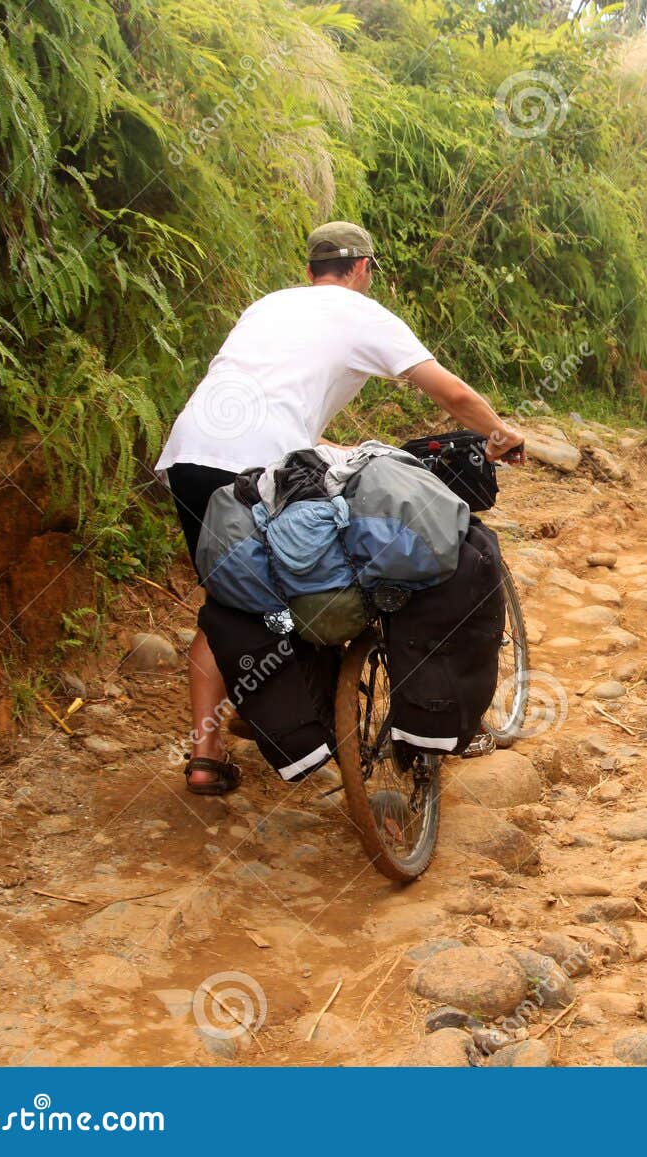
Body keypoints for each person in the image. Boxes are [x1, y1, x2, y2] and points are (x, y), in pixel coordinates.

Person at [154, 221, 524, 795]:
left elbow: (270, 402)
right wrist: (500, 434)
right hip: (260, 464)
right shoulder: (362, 313)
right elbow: (451, 393)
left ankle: (207, 752)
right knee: (317, 576)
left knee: (230, 600)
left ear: (310, 272)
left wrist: (331, 448)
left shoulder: (268, 306)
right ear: (363, 269)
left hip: (192, 455)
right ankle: (321, 712)